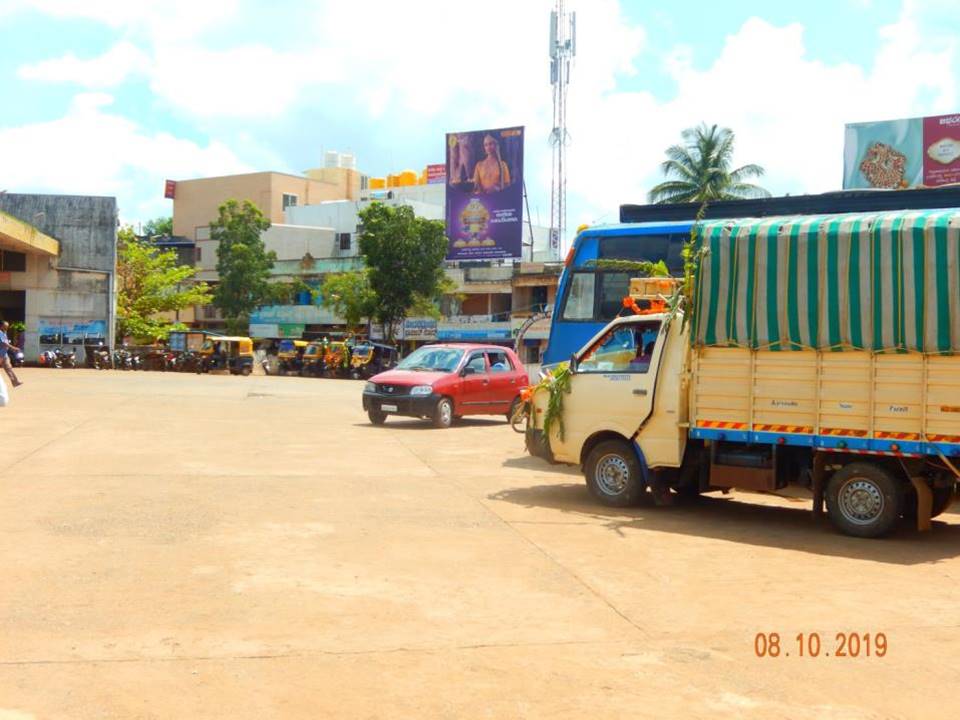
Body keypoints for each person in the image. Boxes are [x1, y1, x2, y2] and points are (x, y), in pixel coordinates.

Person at [0, 321, 23, 388]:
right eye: (5, 326)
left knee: (9, 368)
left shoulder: (4, 333)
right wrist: (14, 348)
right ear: (1, 326)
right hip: (0, 354)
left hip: (4, 354)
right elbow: (4, 343)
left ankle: (15, 382)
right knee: (8, 368)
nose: (7, 327)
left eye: (7, 326)